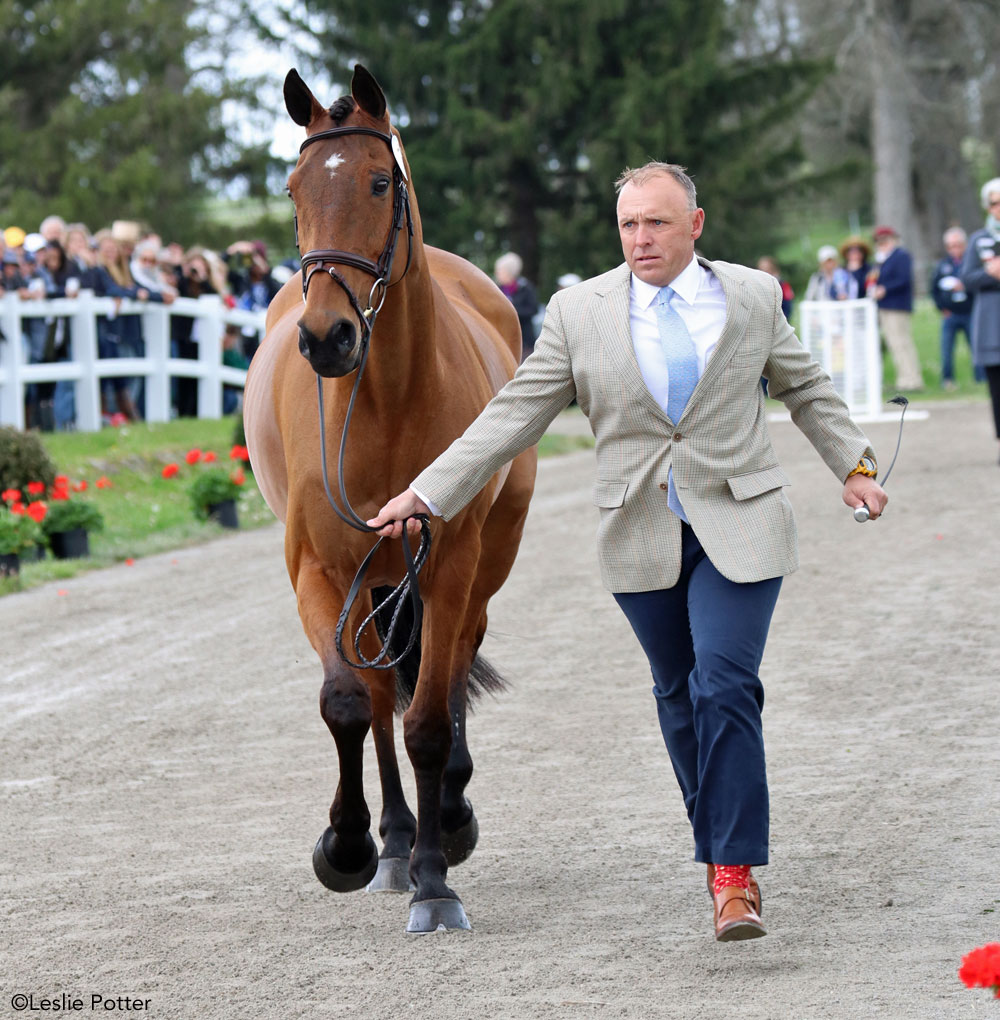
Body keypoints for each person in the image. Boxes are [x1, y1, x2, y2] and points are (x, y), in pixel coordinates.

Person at [367, 161, 887, 943]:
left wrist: (855, 467)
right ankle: (718, 851)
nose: (641, 239)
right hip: (639, 529)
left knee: (725, 683)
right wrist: (430, 491)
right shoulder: (581, 312)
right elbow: (513, 413)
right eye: (629, 225)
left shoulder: (751, 296)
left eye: (657, 223)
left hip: (743, 520)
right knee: (678, 692)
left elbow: (806, 386)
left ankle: (733, 877)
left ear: (695, 225)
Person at [960, 176, 1000, 463]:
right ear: (989, 208)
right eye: (995, 203)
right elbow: (967, 278)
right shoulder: (979, 240)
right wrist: (991, 274)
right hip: (992, 324)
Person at [870, 225, 923, 391]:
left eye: (885, 240)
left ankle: (912, 379)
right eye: (879, 241)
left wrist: (885, 289)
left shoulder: (901, 256)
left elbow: (903, 279)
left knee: (902, 342)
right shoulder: (882, 260)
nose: (882, 243)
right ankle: (904, 378)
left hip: (897, 306)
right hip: (885, 306)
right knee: (894, 344)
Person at [931, 227, 980, 390]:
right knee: (946, 349)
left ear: (964, 244)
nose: (955, 249)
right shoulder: (943, 265)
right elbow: (934, 289)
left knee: (976, 347)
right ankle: (948, 380)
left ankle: (980, 379)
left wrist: (965, 287)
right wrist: (941, 307)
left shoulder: (972, 262)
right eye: (951, 246)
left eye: (958, 245)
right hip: (950, 314)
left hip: (970, 313)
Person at [494, 252, 540, 361]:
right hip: (503, 339)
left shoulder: (525, 288)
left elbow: (533, 309)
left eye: (500, 271)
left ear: (509, 272)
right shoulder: (497, 289)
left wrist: (512, 311)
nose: (497, 273)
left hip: (524, 341)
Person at [756, 256, 794, 321]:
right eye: (761, 270)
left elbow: (788, 307)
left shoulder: (783, 285)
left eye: (767, 270)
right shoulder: (757, 286)